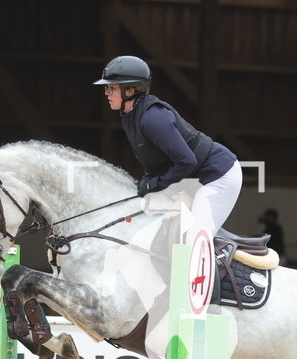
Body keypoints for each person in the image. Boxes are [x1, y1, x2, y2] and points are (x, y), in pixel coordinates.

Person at [93, 55, 242, 237]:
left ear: (130, 91)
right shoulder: (130, 116)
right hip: (194, 179)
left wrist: (153, 185)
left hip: (218, 176)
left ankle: (209, 264)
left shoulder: (152, 118)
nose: (106, 93)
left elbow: (186, 161)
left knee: (195, 237)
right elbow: (156, 162)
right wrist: (147, 183)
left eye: (111, 88)